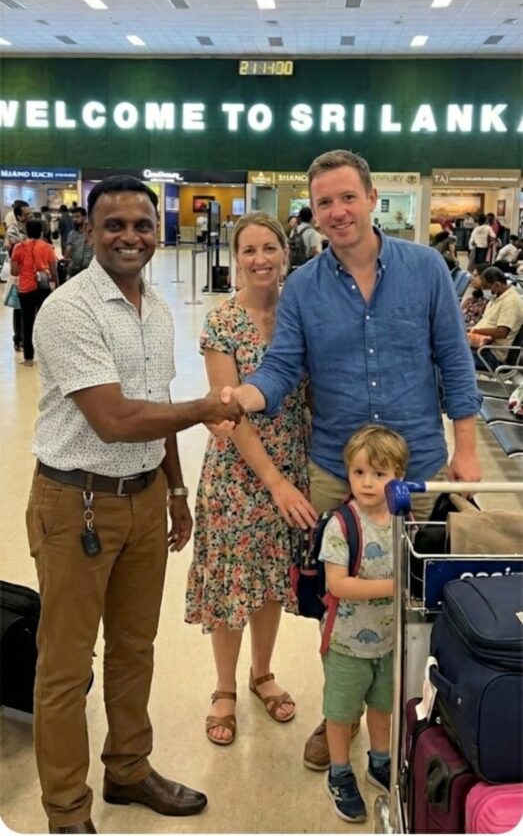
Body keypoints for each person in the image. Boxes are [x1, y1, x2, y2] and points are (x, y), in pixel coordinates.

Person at [219, 149, 481, 769]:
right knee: (339, 601)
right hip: (337, 473)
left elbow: (454, 359)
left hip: (417, 467)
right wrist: (246, 395)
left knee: (419, 597)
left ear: (371, 199)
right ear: (314, 211)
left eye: (347, 198)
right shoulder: (304, 288)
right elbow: (283, 367)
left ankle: (411, 713)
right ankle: (340, 711)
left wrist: (467, 449)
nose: (337, 212)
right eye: (324, 202)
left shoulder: (425, 268)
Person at [28, 176, 243, 834]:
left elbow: (156, 404)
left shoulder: (155, 307)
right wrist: (207, 408)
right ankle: (67, 812)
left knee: (134, 648)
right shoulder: (68, 310)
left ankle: (127, 768)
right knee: (67, 667)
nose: (130, 236)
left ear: (158, 230)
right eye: (114, 225)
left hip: (145, 498)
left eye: (142, 225)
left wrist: (175, 490)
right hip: (77, 503)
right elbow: (117, 420)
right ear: (89, 232)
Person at [185, 212, 316, 747]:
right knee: (231, 582)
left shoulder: (301, 313)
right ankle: (224, 688)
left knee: (271, 578)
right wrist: (274, 481)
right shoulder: (223, 323)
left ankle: (262, 674)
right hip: (239, 475)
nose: (260, 259)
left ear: (286, 253)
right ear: (235, 258)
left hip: (292, 461)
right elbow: (230, 413)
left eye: (269, 248)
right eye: (249, 250)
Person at [320, 424, 408, 824]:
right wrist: (395, 586)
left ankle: (380, 760)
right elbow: (338, 584)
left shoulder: (402, 519)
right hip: (345, 643)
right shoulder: (342, 524)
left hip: (388, 642)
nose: (368, 482)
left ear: (398, 476)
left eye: (379, 473)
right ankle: (339, 773)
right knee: (341, 713)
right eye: (359, 472)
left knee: (383, 707)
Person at [10, 218, 57, 365]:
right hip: (43, 288)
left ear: (26, 231)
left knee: (27, 323)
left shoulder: (18, 248)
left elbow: (14, 272)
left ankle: (29, 359)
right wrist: (55, 285)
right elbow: (53, 272)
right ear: (41, 232)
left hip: (25, 289)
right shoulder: (48, 248)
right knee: (45, 322)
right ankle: (47, 358)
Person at [468, 266, 523, 370]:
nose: (484, 291)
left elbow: (501, 332)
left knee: (450, 358)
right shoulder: (496, 298)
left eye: (485, 288)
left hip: (491, 356)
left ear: (496, 285)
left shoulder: (511, 302)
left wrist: (474, 331)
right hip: (480, 348)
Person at [4, 199, 32, 352]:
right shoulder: (13, 230)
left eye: (30, 213)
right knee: (19, 308)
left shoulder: (32, 226)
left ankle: (29, 338)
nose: (30, 216)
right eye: (27, 214)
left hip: (32, 275)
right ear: (19, 216)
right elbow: (19, 245)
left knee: (30, 308)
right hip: (19, 276)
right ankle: (19, 338)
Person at [288, 206, 322, 270]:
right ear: (312, 218)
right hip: (305, 264)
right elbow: (313, 251)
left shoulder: (294, 229)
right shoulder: (311, 232)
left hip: (293, 263)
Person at [64, 206, 94, 276]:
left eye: (77, 216)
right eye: (73, 217)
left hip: (90, 270)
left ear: (84, 217)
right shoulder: (72, 234)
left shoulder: (92, 232)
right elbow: (68, 251)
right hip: (75, 270)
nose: (75, 219)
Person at [461, 264, 489, 329]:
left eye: (475, 276)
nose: (471, 278)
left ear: (484, 278)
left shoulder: (488, 302)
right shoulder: (471, 299)